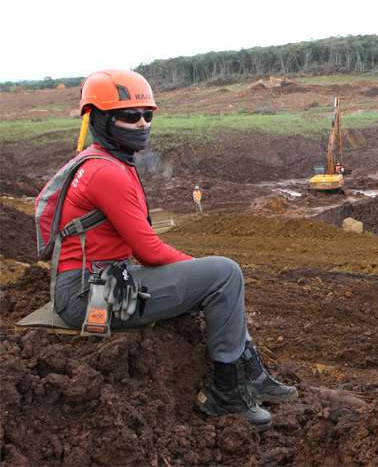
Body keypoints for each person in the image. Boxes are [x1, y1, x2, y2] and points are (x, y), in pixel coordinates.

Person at [51, 70, 296, 431]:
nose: (142, 123)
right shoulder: (108, 173)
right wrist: (204, 273)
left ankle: (252, 373)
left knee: (219, 277)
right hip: (87, 297)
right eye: (130, 116)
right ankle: (226, 395)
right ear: (102, 119)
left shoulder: (105, 161)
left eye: (148, 114)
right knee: (224, 273)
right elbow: (149, 250)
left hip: (100, 282)